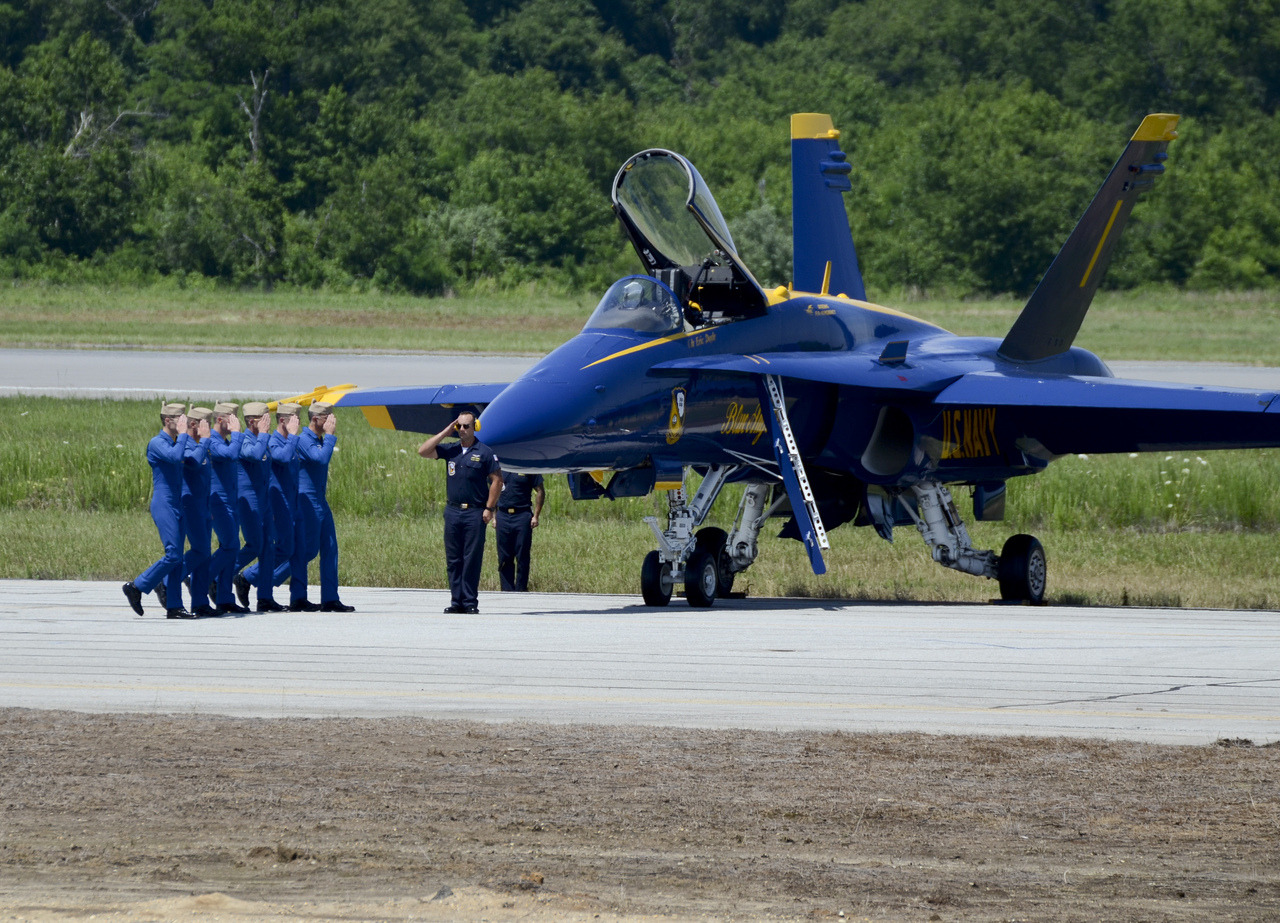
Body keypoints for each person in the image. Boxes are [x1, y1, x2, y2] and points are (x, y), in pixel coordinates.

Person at [418, 410, 502, 614]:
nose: (462, 430)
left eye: (466, 426)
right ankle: (457, 601)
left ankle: (470, 601)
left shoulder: (484, 452)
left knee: (471, 558)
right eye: (459, 426)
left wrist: (489, 508)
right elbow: (423, 451)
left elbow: (497, 481)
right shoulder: (451, 450)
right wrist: (445, 432)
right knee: (454, 558)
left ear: (475, 427)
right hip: (453, 511)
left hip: (474, 513)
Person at [123, 402, 193, 618]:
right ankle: (136, 586)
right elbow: (175, 456)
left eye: (184, 419)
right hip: (164, 503)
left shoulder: (176, 441)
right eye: (179, 419)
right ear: (167, 421)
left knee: (178, 558)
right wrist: (183, 435)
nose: (183, 423)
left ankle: (174, 605)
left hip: (178, 503)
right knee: (172, 554)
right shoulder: (157, 443)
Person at [241, 402, 303, 612]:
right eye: (294, 420)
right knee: (280, 547)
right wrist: (292, 435)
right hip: (274, 503)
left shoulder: (270, 440)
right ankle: (246, 577)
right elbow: (282, 458)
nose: (297, 424)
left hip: (282, 503)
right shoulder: (271, 440)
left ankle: (264, 596)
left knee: (274, 549)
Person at [296, 401, 354, 612]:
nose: (331, 422)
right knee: (308, 551)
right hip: (307, 502)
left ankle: (330, 598)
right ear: (315, 420)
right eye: (327, 418)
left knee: (330, 547)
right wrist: (330, 436)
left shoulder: (318, 439)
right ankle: (250, 577)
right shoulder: (303, 440)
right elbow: (320, 459)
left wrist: (326, 437)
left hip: (320, 499)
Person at [206, 401, 250, 614]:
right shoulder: (212, 441)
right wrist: (238, 434)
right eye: (232, 418)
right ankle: (200, 578)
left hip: (230, 502)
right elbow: (231, 455)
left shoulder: (227, 441)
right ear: (221, 420)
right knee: (230, 545)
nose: (236, 422)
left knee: (232, 549)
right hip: (218, 502)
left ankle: (224, 597)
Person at [233, 402, 275, 611]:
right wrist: (265, 434)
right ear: (251, 421)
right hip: (249, 500)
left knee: (268, 546)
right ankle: (216, 575)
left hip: (263, 499)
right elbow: (255, 455)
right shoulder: (244, 440)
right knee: (254, 545)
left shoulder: (263, 439)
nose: (268, 422)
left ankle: (265, 597)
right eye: (263, 419)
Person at [179, 407, 215, 617]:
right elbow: (192, 463)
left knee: (205, 554)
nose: (209, 429)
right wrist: (206, 440)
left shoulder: (202, 445)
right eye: (205, 424)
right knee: (200, 550)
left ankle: (200, 602)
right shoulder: (187, 445)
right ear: (194, 425)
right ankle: (168, 580)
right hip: (189, 503)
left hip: (203, 506)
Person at [494, 469, 544, 592]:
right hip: (503, 514)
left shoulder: (527, 466)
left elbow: (540, 491)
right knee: (504, 556)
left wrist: (536, 516)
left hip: (522, 514)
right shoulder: (498, 468)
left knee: (522, 554)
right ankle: (506, 589)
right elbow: (492, 491)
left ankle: (521, 588)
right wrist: (494, 516)